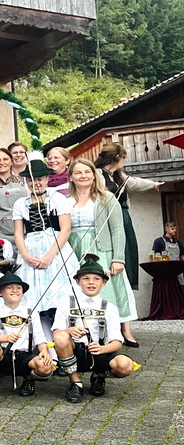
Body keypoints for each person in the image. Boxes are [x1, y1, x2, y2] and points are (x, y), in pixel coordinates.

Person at [95, 142, 163, 346]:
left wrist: (152, 184)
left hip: (123, 220)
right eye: (123, 157)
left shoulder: (119, 176)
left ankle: (126, 326)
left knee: (126, 263)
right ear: (117, 157)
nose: (125, 161)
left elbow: (135, 183)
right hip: (106, 222)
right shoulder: (98, 175)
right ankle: (114, 327)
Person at [66, 157, 137, 337]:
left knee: (110, 289)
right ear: (71, 177)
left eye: (87, 172)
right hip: (74, 251)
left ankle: (122, 331)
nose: (83, 176)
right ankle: (85, 330)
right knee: (79, 287)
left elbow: (118, 230)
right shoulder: (65, 201)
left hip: (102, 250)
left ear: (94, 175)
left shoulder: (106, 198)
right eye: (78, 172)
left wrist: (118, 258)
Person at [52, 254, 136, 403]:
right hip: (74, 351)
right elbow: (56, 332)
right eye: (86, 278)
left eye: (96, 279)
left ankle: (99, 376)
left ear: (104, 282)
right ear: (77, 281)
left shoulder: (110, 308)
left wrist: (102, 349)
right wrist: (68, 331)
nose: (91, 282)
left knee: (125, 366)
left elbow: (117, 342)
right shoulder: (66, 302)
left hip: (99, 351)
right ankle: (75, 383)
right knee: (60, 337)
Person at [12, 159, 79, 314]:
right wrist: (25, 255)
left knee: (60, 291)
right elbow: (18, 232)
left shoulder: (57, 199)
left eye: (39, 179)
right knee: (32, 295)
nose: (35, 183)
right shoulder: (20, 203)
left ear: (47, 179)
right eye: (31, 180)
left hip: (55, 247)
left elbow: (66, 229)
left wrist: (50, 255)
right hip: (30, 248)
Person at [0, 263, 52, 399]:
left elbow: (40, 337)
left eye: (18, 288)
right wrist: (6, 338)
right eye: (9, 288)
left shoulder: (31, 313)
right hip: (3, 356)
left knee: (45, 367)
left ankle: (29, 379)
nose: (15, 290)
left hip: (25, 356)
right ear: (0, 292)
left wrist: (44, 351)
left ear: (22, 292)